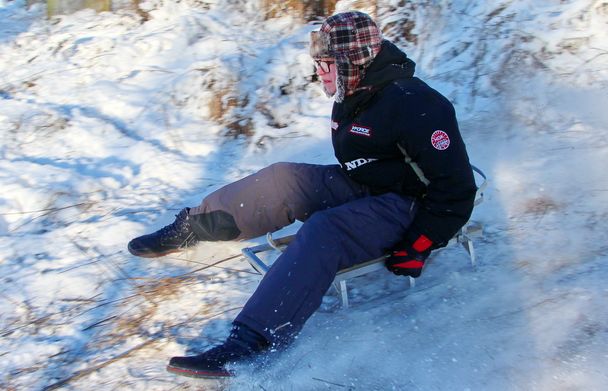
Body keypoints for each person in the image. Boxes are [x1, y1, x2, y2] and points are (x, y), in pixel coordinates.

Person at [126, 11, 477, 377]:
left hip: (412, 206)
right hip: (369, 187)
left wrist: (419, 245)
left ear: (351, 62)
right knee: (284, 179)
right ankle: (197, 226)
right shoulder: (356, 89)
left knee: (326, 230)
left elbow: (456, 190)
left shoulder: (416, 104)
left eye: (326, 65)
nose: (319, 73)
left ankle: (253, 341)